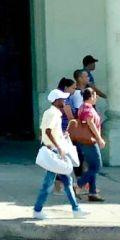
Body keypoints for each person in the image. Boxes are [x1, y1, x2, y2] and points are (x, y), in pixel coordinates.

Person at [33, 88, 86, 220]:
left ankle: (76, 209)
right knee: (51, 183)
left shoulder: (49, 112)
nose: (64, 101)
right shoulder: (54, 114)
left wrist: (62, 135)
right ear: (56, 101)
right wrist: (58, 147)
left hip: (53, 150)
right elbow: (48, 131)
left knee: (66, 181)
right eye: (62, 99)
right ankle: (38, 210)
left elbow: (44, 131)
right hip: (55, 152)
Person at [71, 86, 106, 202]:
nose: (96, 98)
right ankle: (78, 184)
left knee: (92, 167)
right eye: (95, 96)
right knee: (97, 166)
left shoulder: (83, 107)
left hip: (85, 141)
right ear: (91, 96)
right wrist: (99, 138)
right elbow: (90, 123)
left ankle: (93, 192)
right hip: (89, 141)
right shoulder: (87, 108)